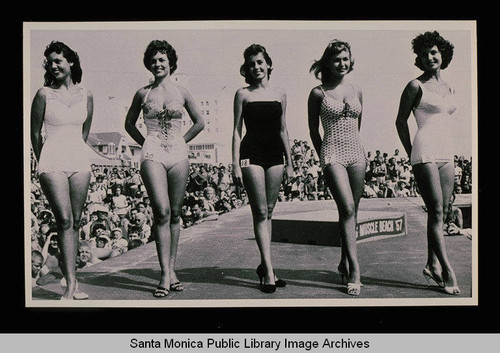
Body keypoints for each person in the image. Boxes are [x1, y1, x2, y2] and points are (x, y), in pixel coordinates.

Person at [125, 40, 204, 297]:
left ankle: (172, 270)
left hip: (178, 154)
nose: (158, 64)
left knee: (176, 212)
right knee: (161, 210)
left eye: (162, 59)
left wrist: (183, 141)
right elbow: (129, 124)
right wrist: (147, 144)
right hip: (153, 153)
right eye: (154, 60)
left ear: (170, 63)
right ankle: (163, 274)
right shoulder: (142, 93)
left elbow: (200, 122)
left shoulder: (182, 92)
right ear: (149, 64)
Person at [395, 31, 460, 295]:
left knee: (443, 211)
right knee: (434, 212)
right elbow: (400, 121)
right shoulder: (414, 86)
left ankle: (431, 263)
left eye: (434, 52)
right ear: (419, 59)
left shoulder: (449, 86)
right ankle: (447, 270)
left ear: (443, 54)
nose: (429, 57)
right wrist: (412, 153)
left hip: (447, 150)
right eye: (424, 54)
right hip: (425, 150)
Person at [30, 41, 93, 300]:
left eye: (58, 60)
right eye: (50, 61)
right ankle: (68, 287)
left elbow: (85, 132)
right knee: (64, 220)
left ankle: (72, 279)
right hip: (52, 159)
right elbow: (35, 134)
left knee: (76, 221)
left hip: (78, 158)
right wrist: (44, 160)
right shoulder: (43, 94)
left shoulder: (86, 94)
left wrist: (76, 151)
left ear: (71, 63)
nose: (53, 65)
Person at [232, 44, 293, 293]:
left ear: (268, 64)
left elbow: (283, 129)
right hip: (250, 155)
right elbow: (236, 131)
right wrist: (235, 164)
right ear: (246, 68)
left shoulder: (280, 93)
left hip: (275, 155)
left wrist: (290, 162)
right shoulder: (242, 93)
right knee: (259, 212)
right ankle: (268, 271)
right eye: (251, 64)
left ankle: (266, 265)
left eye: (260, 62)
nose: (256, 67)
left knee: (269, 210)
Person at [308, 39, 366, 296]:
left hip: (357, 154)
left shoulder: (357, 90)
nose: (342, 64)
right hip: (332, 153)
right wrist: (323, 156)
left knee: (352, 213)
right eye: (336, 59)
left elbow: (358, 124)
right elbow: (313, 129)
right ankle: (354, 269)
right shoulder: (318, 93)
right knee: (347, 208)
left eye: (345, 59)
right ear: (327, 63)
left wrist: (357, 151)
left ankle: (344, 261)